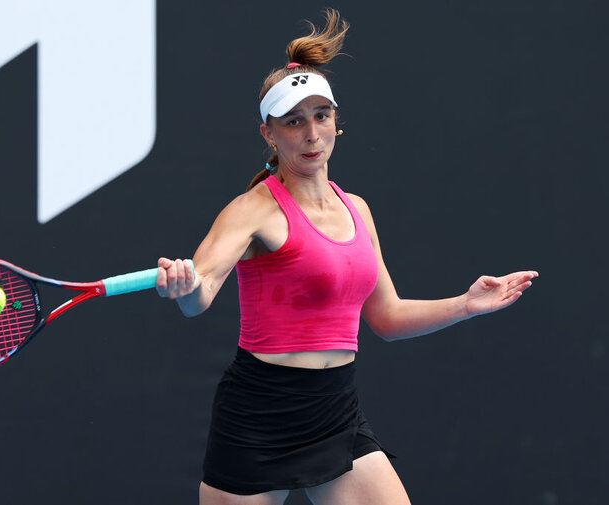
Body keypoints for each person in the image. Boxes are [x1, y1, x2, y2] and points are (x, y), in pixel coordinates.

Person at [155, 9, 538, 505]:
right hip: (260, 417)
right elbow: (201, 292)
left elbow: (387, 317)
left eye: (321, 116)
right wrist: (184, 287)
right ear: (269, 134)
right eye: (294, 121)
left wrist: (465, 304)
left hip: (335, 411)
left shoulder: (356, 209)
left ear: (336, 121)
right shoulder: (252, 209)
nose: (311, 134)